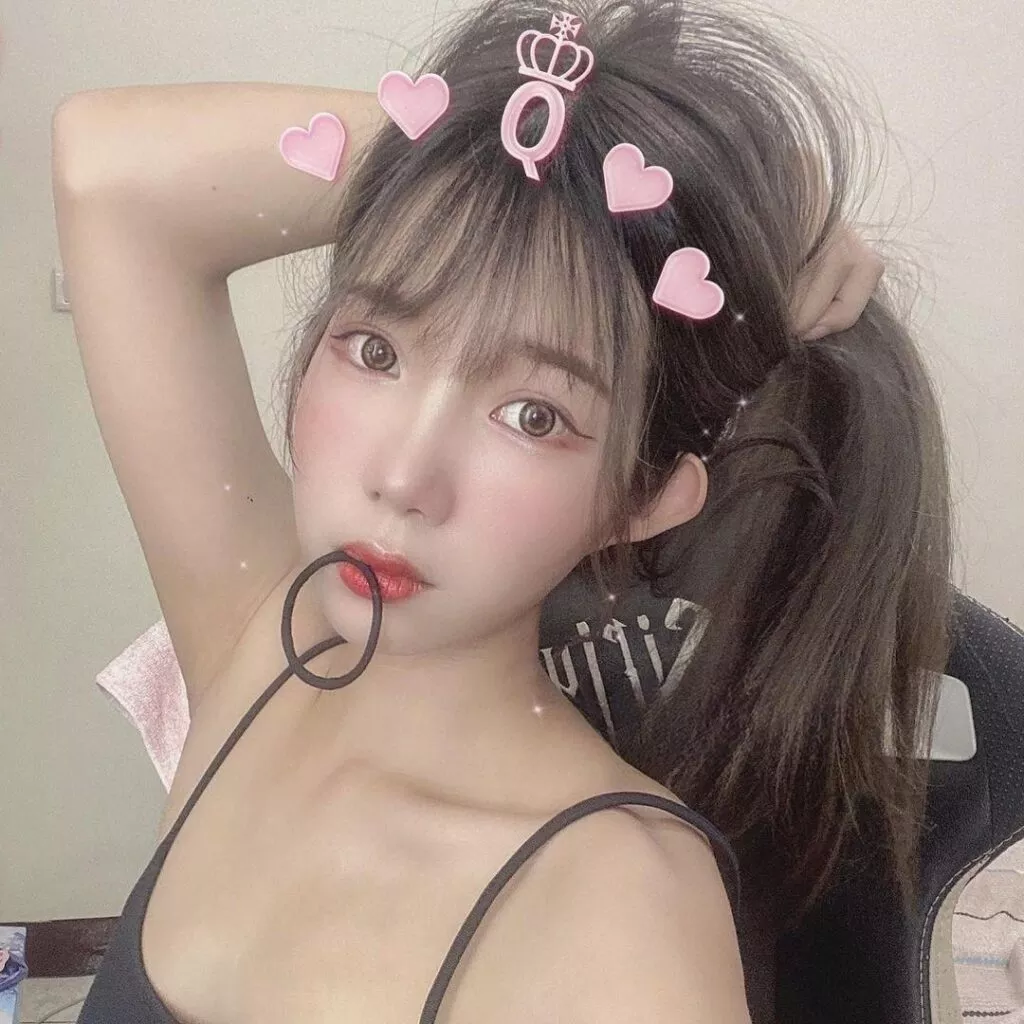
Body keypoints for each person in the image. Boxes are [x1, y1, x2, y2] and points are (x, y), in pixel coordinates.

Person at [52, 0, 949, 1021]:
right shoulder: (263, 647)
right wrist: (518, 153)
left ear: (642, 496)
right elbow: (106, 171)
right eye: (376, 351)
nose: (404, 477)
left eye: (533, 415)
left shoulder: (616, 921)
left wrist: (640, 190)